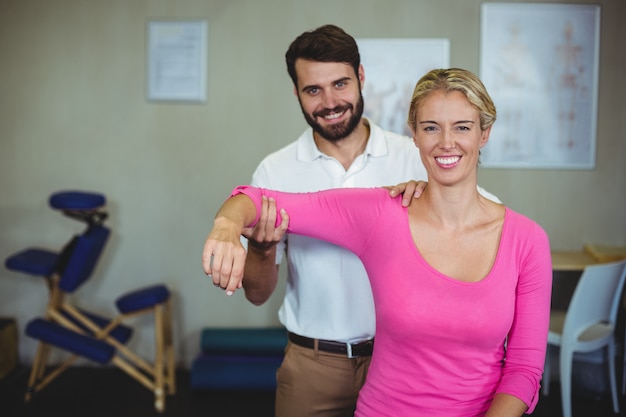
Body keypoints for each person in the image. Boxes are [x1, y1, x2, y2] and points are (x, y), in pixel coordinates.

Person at [203, 67, 552, 417]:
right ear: (413, 134)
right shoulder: (382, 213)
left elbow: (524, 370)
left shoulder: (527, 240)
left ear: (484, 133)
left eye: (462, 127)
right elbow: (255, 199)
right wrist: (225, 225)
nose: (447, 142)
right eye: (431, 127)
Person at [236, 25, 500, 417]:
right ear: (296, 93)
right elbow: (256, 294)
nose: (329, 101)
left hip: (405, 364)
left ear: (361, 77)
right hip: (312, 364)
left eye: (340, 83)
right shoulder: (275, 172)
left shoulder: (415, 158)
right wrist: (260, 247)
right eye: (313, 90)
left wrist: (431, 196)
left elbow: (486, 218)